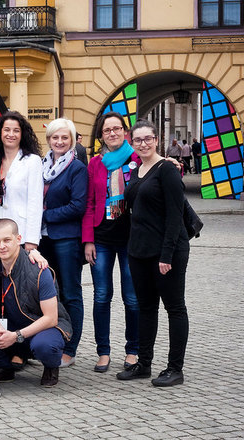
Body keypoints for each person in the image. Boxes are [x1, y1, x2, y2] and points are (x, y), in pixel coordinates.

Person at [117, 121, 190, 387]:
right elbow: (131, 209)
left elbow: (175, 215)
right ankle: (144, 363)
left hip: (166, 251)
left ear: (157, 140)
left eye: (148, 138)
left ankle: (175, 369)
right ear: (132, 143)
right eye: (138, 140)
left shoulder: (167, 169)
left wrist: (166, 256)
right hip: (139, 251)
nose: (143, 144)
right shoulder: (136, 170)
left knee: (174, 307)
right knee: (146, 308)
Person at [0, 219, 72, 387]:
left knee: (44, 346)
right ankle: (4, 366)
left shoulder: (39, 269)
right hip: (11, 323)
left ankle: (51, 366)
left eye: (7, 240)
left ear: (18, 239)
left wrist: (16, 336)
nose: (2, 246)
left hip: (40, 327)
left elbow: (51, 318)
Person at [82, 111, 139, 373]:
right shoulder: (96, 163)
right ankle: (103, 352)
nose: (112, 133)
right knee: (102, 296)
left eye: (117, 129)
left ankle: (133, 350)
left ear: (125, 132)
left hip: (132, 239)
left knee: (132, 298)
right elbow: (90, 203)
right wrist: (88, 240)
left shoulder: (137, 157)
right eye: (107, 130)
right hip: (101, 238)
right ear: (101, 135)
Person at [39, 118, 88, 368]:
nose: (59, 142)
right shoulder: (42, 166)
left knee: (70, 294)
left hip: (67, 239)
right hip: (43, 239)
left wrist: (44, 215)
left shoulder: (76, 168)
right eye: (55, 137)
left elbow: (78, 206)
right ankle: (52, 343)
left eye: (64, 137)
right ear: (49, 140)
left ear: (72, 140)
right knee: (49, 294)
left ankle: (70, 348)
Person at [0, 111, 43, 251]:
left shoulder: (32, 161)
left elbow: (35, 202)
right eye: (7, 130)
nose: (11, 134)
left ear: (22, 134)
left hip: (21, 232)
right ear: (0, 132)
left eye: (16, 130)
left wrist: (32, 240)